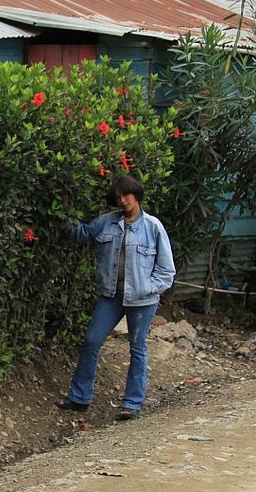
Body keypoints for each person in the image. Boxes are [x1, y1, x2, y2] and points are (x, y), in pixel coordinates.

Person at [57, 176, 176, 421]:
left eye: (127, 195)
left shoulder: (153, 227)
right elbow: (82, 234)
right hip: (112, 296)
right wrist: (64, 210)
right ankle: (80, 398)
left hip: (142, 300)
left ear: (136, 195)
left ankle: (131, 403)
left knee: (137, 347)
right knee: (91, 340)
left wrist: (149, 288)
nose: (123, 201)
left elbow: (166, 270)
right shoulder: (107, 223)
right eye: (119, 197)